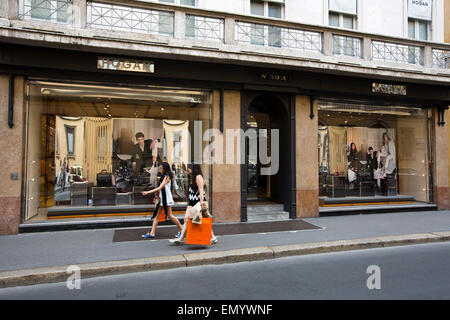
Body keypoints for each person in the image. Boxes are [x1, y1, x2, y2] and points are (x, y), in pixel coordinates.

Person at [170, 163, 218, 245]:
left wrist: (201, 203)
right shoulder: (193, 176)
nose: (188, 169)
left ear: (194, 168)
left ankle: (213, 237)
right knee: (187, 220)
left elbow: (201, 190)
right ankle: (181, 239)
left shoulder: (198, 177)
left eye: (189, 167)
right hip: (192, 202)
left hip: (197, 202)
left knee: (202, 219)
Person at [141, 162, 183, 239]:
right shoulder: (164, 176)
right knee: (157, 216)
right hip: (162, 198)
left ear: (165, 168)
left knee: (170, 216)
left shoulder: (167, 177)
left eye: (161, 168)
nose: (159, 169)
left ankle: (182, 230)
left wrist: (148, 192)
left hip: (166, 198)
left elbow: (160, 188)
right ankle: (152, 233)